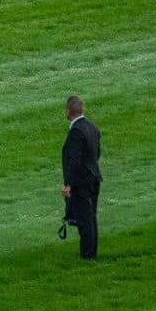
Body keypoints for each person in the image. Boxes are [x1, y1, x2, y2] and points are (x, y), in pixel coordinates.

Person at [62, 95, 102, 260]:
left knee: (84, 220)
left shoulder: (76, 132)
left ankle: (87, 257)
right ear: (82, 109)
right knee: (91, 217)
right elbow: (97, 152)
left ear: (67, 112)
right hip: (95, 176)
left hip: (82, 181)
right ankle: (91, 253)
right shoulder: (93, 127)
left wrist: (68, 184)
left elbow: (73, 160)